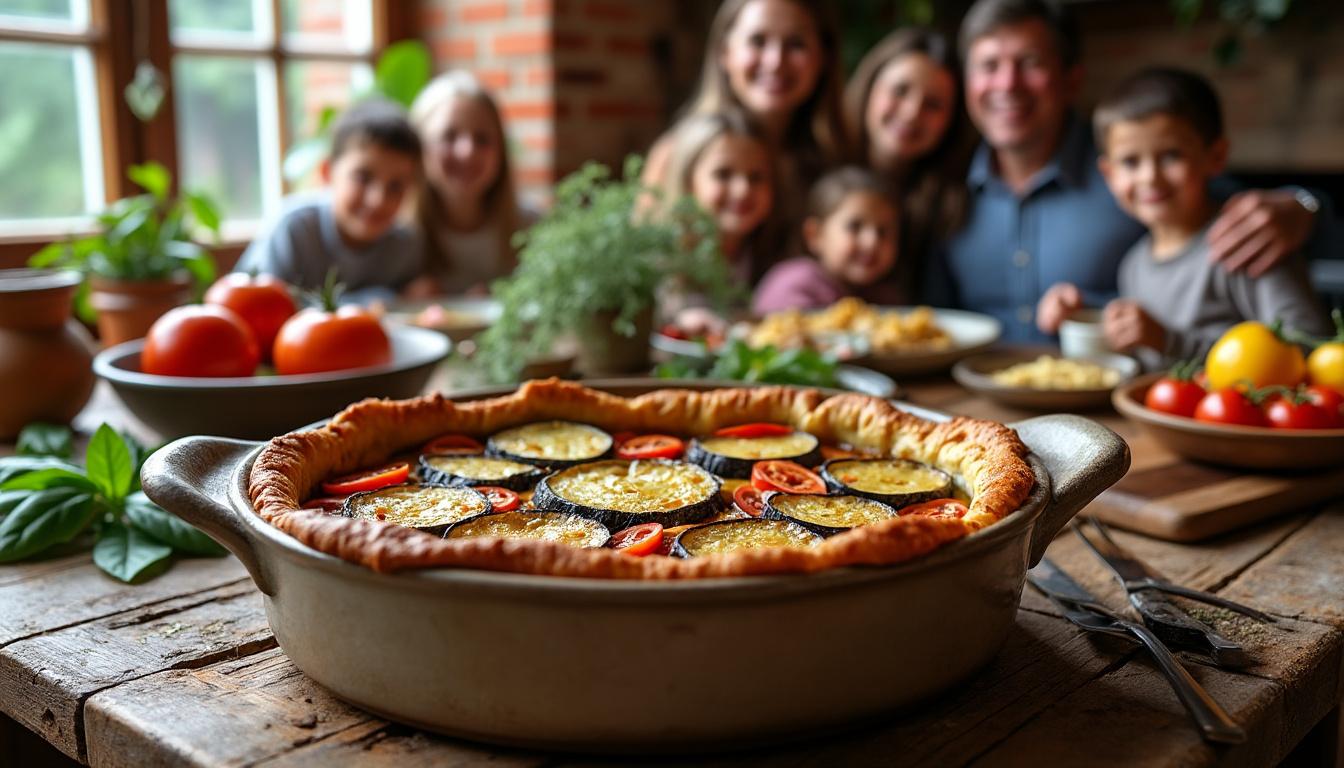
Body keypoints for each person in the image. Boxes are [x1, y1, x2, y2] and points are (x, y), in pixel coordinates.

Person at [929, 0, 1327, 343]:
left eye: (1030, 62)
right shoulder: (942, 183)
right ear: (967, 82)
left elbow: (1240, 212)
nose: (1007, 83)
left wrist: (1304, 207)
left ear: (1072, 79)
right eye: (989, 65)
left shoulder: (1133, 165)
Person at [1036, 69, 1329, 370]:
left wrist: (1169, 341)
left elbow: (1311, 349)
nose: (1149, 177)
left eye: (1171, 156)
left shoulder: (1248, 243)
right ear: (1109, 175)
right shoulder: (1133, 265)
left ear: (1215, 156)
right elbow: (1148, 359)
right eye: (1130, 162)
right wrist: (1084, 319)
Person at [642, 0, 846, 227]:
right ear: (724, 52)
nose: (775, 61)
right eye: (757, 41)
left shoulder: (835, 161)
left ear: (824, 58)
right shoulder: (676, 156)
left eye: (796, 44)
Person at [235, 99, 422, 305]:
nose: (377, 200)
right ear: (327, 172)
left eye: (395, 186)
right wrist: (374, 301)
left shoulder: (404, 246)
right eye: (363, 178)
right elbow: (258, 307)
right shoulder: (293, 230)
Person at [845, 28, 976, 297]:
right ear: (870, 88)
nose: (912, 113)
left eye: (934, 104)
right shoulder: (822, 171)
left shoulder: (950, 204)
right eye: (900, 91)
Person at [406, 71, 537, 298]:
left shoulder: (532, 228)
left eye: (482, 139)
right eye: (449, 136)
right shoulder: (395, 236)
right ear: (419, 147)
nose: (467, 152)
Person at [752, 167, 902, 314]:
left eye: (883, 231)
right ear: (815, 235)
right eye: (854, 227)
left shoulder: (884, 298)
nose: (872, 241)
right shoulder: (794, 285)